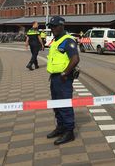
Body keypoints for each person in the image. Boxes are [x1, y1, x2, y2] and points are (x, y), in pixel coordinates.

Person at [46, 16, 80, 145]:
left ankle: (69, 131)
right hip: (55, 78)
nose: (52, 29)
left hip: (63, 78)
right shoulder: (56, 41)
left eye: (54, 26)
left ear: (61, 26)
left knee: (64, 104)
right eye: (51, 27)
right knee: (56, 104)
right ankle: (60, 127)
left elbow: (75, 59)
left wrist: (65, 73)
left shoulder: (68, 40)